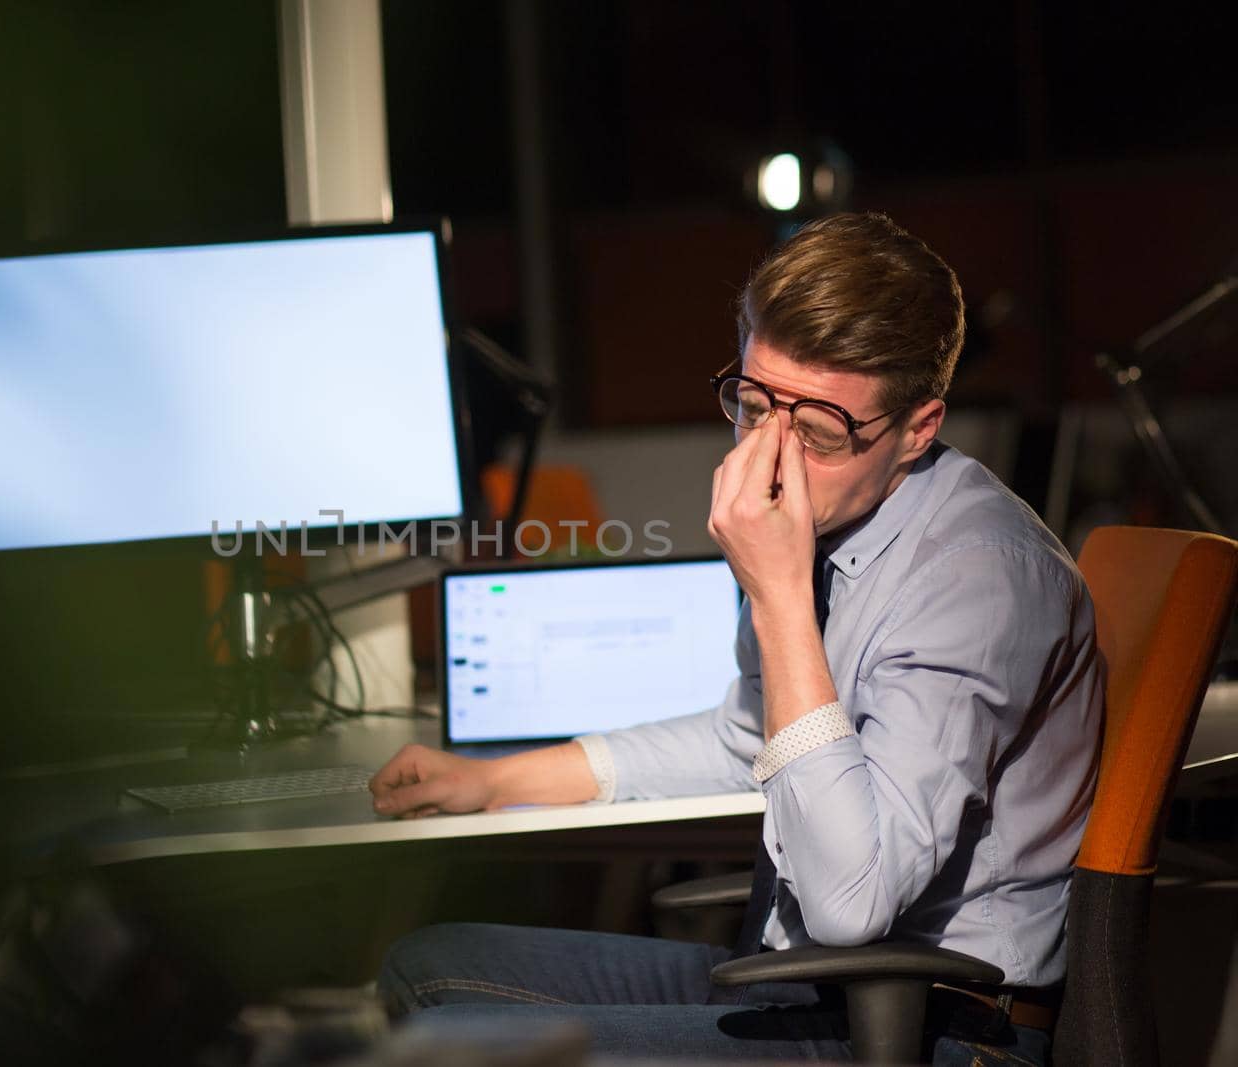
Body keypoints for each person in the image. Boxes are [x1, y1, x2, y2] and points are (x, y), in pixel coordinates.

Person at [369, 212, 1103, 1063]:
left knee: (464, 1049)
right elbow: (748, 739)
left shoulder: (976, 581)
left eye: (821, 433)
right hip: (808, 977)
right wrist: (496, 779)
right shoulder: (835, 526)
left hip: (936, 1022)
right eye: (753, 408)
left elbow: (851, 903)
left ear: (917, 429)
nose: (773, 458)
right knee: (423, 968)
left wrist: (780, 594)